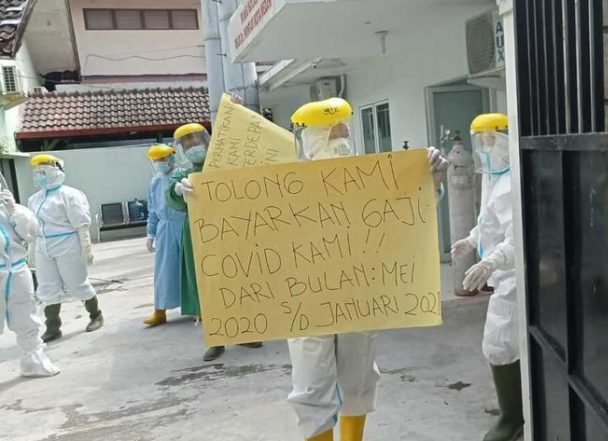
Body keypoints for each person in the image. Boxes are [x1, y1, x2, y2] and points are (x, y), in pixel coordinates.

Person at [287, 97, 449, 441]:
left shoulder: (370, 178)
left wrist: (431, 182)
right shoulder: (285, 185)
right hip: (308, 299)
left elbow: (407, 213)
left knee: (358, 378)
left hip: (358, 293)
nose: (342, 141)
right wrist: (197, 199)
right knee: (311, 385)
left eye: (344, 132)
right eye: (332, 134)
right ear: (310, 140)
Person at [451, 113, 522, 441]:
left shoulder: (511, 181)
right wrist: (471, 239)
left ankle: (512, 418)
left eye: (491, 139)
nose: (484, 147)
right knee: (506, 344)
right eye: (480, 140)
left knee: (499, 342)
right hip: (503, 273)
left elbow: (517, 235)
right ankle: (517, 413)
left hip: (515, 275)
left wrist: (491, 262)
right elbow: (489, 222)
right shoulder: (495, 175)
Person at [166, 122, 263, 362]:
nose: (192, 145)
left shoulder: (223, 166)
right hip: (198, 235)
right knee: (207, 285)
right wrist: (177, 190)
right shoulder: (183, 174)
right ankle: (216, 338)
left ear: (206, 140)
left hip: (230, 231)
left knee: (236, 280)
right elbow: (171, 198)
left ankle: (244, 332)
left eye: (195, 139)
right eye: (186, 143)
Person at [27, 154, 103, 343]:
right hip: (43, 245)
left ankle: (96, 315)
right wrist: (31, 250)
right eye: (37, 171)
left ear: (56, 171)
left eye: (43, 171)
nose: (39, 175)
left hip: (67, 243)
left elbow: (81, 224)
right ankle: (53, 327)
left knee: (76, 283)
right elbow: (32, 227)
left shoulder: (70, 195)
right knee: (46, 286)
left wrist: (86, 247)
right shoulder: (34, 199)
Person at [0, 185, 59, 377]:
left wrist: (14, 212)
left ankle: (34, 362)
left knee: (26, 315)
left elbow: (32, 232)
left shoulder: (8, 209)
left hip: (17, 269)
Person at [143, 144, 187, 326]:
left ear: (171, 157)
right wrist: (151, 233)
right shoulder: (155, 182)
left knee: (188, 268)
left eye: (162, 158)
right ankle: (160, 311)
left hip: (184, 224)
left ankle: (195, 307)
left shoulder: (183, 175)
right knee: (163, 270)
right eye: (155, 160)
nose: (159, 163)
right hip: (165, 228)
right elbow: (153, 209)